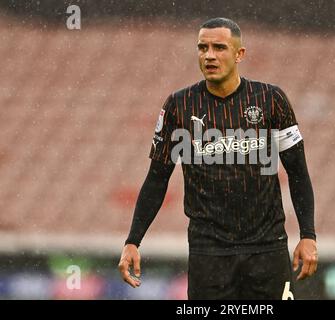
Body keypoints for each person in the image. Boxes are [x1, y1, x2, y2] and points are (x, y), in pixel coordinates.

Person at [118, 17, 318, 300]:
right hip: (208, 253)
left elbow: (298, 173)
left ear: (239, 54)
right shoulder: (178, 106)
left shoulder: (271, 100)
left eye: (219, 47)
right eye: (203, 47)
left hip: (267, 249)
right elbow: (156, 179)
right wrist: (133, 241)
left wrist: (308, 234)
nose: (209, 55)